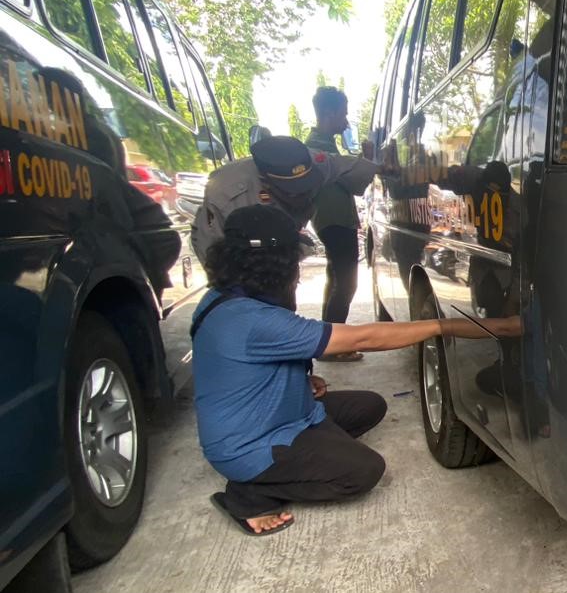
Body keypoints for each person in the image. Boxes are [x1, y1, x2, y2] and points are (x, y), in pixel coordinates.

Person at [192, 204, 518, 536]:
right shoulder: (252, 319)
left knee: (369, 406)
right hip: (249, 443)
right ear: (275, 264)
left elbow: (242, 367)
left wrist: (300, 379)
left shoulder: (224, 298)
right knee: (363, 471)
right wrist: (445, 325)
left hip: (277, 415)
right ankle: (249, 493)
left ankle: (310, 449)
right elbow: (364, 337)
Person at [191, 135, 378, 266]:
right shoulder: (226, 195)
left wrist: (387, 169)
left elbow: (351, 167)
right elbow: (212, 258)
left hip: (281, 241)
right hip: (238, 258)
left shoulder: (317, 163)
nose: (302, 195)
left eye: (306, 186)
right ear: (267, 183)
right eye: (292, 192)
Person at [305, 87, 363, 362]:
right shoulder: (320, 150)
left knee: (336, 279)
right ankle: (333, 347)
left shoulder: (323, 145)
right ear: (329, 114)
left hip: (331, 222)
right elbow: (355, 181)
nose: (346, 120)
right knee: (347, 283)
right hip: (336, 223)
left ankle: (326, 340)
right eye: (343, 113)